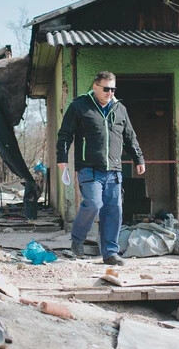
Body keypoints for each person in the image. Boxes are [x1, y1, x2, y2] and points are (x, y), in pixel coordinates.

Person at [56, 71, 145, 265]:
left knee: (114, 210)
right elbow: (65, 135)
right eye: (106, 89)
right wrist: (61, 159)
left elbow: (130, 137)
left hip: (114, 170)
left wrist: (139, 159)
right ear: (95, 87)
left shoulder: (120, 108)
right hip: (89, 168)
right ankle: (77, 240)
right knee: (94, 204)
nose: (110, 93)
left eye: (113, 89)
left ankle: (110, 253)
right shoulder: (79, 106)